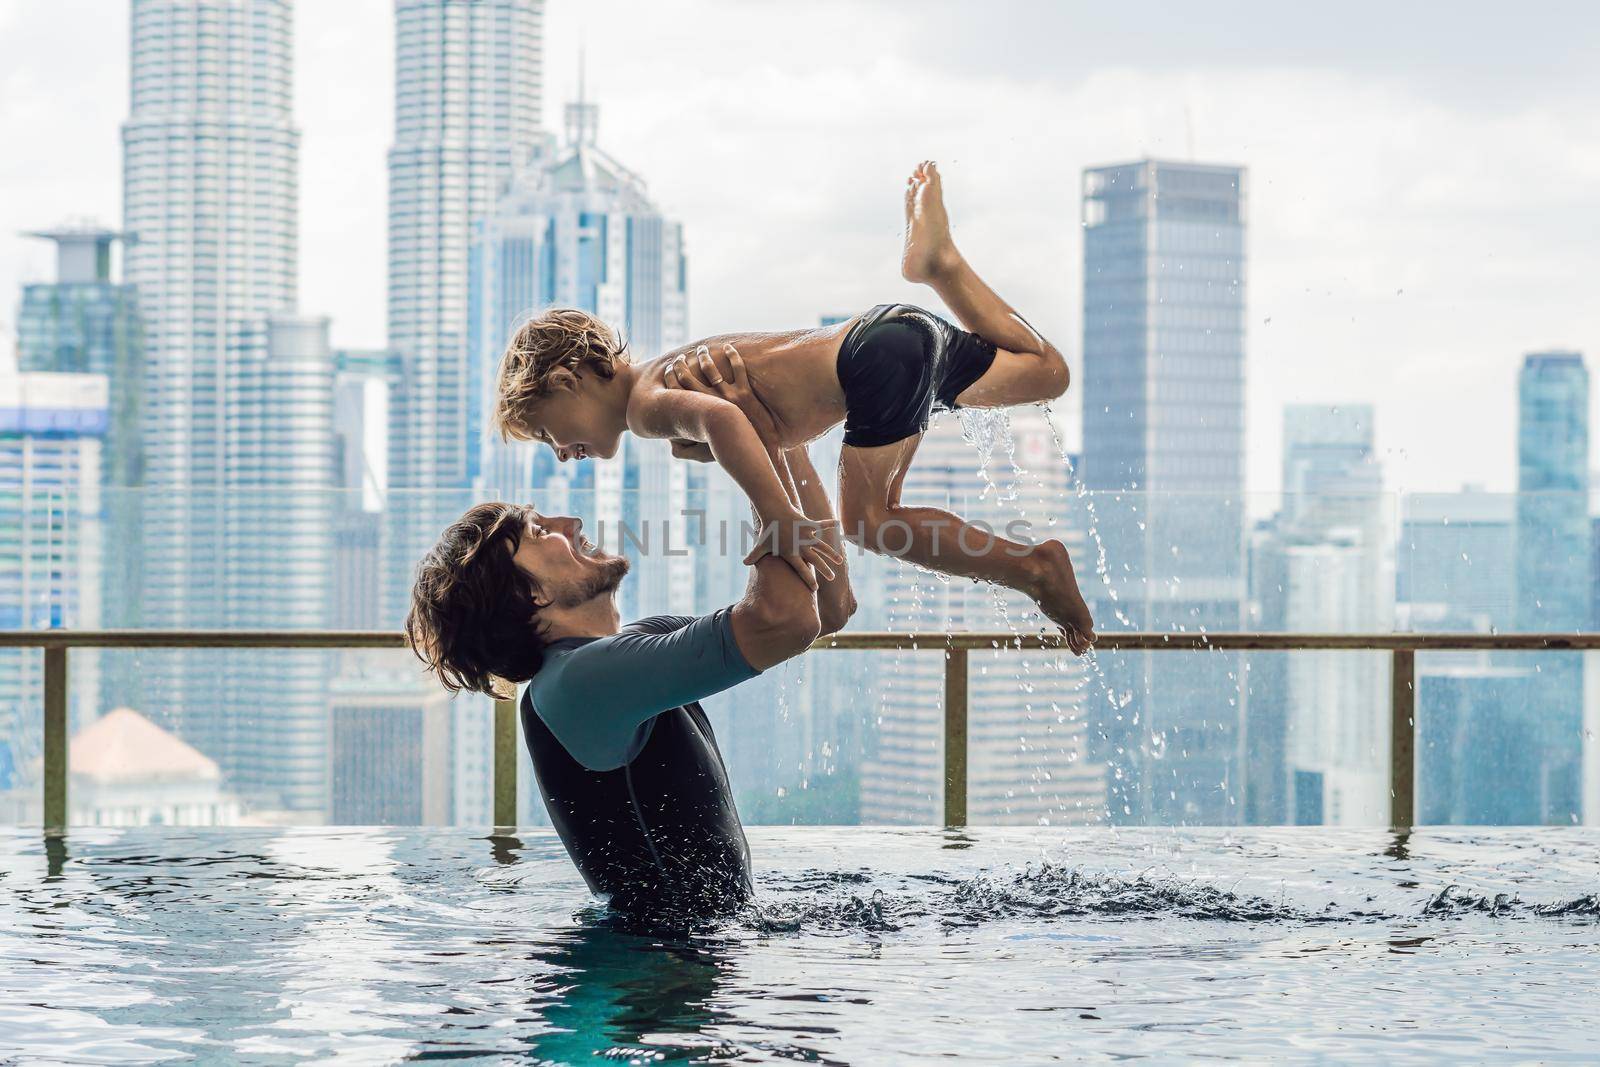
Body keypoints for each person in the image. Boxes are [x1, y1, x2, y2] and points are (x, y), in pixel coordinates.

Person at [490, 160, 1095, 653]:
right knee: (1049, 373)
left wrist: (778, 518)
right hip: (894, 336)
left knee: (868, 523)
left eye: (548, 435)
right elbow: (743, 424)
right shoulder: (671, 373)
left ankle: (1033, 569)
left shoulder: (647, 405)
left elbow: (724, 419)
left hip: (875, 362)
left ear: (568, 382)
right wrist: (766, 455)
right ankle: (943, 268)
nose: (563, 456)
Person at [405, 420, 854, 920]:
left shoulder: (624, 656)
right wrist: (750, 446)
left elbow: (818, 613)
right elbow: (783, 619)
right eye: (540, 532)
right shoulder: (577, 684)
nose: (570, 523)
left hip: (688, 961)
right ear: (529, 595)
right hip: (654, 981)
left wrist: (779, 441)